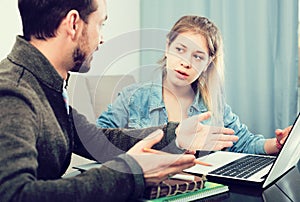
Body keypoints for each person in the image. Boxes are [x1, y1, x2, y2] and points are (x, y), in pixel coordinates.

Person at [0, 1, 239, 202]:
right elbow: (14, 196)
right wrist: (132, 172)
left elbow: (100, 140)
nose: (101, 39)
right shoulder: (14, 93)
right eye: (100, 24)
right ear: (74, 24)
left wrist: (175, 135)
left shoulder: (45, 87)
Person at [97, 15, 291, 155]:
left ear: (208, 62)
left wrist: (277, 144)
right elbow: (99, 138)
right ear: (167, 47)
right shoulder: (133, 98)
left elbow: (245, 143)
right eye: (180, 50)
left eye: (198, 57)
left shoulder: (213, 105)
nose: (186, 63)